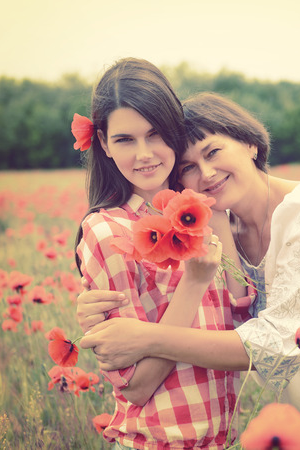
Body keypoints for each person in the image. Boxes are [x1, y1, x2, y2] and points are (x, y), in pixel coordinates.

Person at [79, 92, 300, 449]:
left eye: (213, 152)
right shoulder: (217, 235)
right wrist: (96, 312)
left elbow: (284, 343)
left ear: (250, 143)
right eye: (187, 167)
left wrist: (144, 337)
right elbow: (217, 324)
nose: (205, 173)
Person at [74, 62, 254, 450]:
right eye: (124, 140)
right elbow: (135, 386)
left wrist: (213, 209)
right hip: (157, 442)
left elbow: (242, 312)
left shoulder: (200, 211)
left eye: (155, 134)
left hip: (223, 439)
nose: (144, 155)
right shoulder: (108, 232)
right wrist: (193, 283)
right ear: (103, 144)